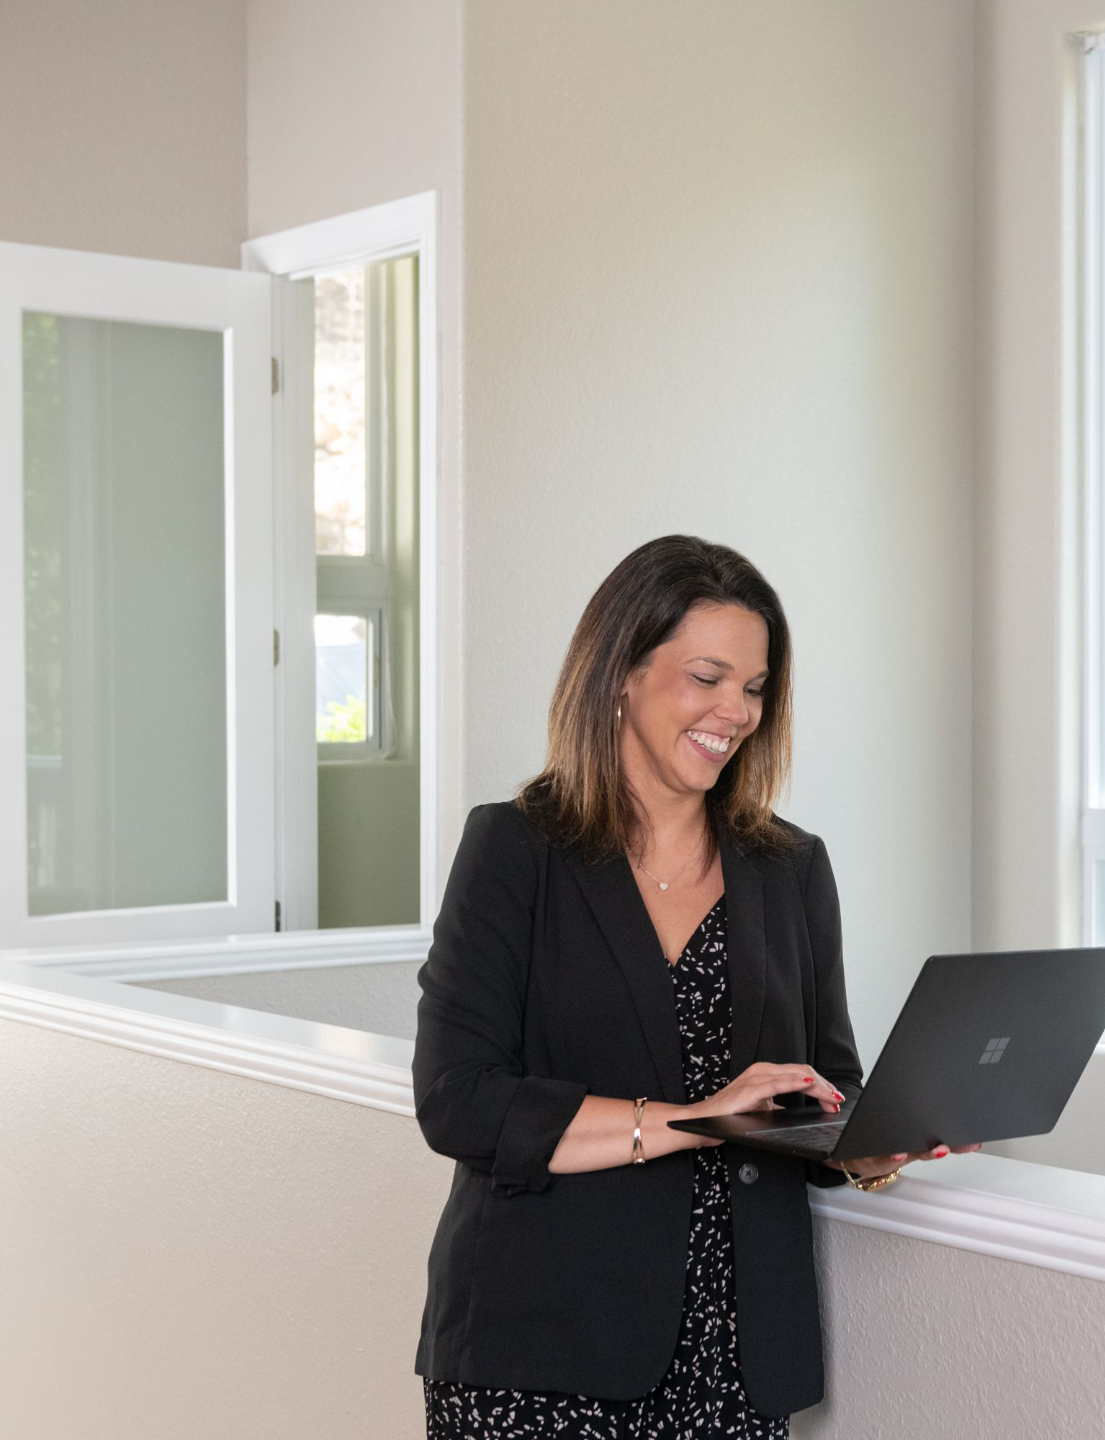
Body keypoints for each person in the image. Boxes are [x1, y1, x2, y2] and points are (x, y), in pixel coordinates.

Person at [412, 534, 971, 1435]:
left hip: (735, 1354)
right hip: (540, 1344)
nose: (736, 711)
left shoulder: (790, 867)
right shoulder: (515, 850)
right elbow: (459, 1102)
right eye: (707, 677)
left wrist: (866, 1149)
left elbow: (826, 1080)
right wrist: (694, 1119)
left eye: (755, 687)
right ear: (620, 673)